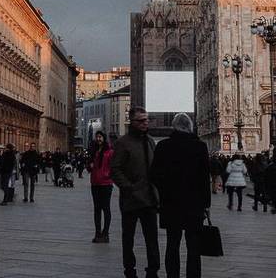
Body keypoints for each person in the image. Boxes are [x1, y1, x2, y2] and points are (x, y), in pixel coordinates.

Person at [150, 113, 210, 278]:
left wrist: (164, 192)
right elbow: (205, 179)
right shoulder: (200, 147)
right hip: (195, 205)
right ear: (190, 127)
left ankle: (172, 276)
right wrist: (206, 205)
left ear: (173, 127)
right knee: (193, 247)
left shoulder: (163, 146)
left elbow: (154, 175)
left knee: (172, 244)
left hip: (170, 204)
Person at [110, 106, 160, 278]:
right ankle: (129, 270)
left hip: (150, 199)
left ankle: (153, 270)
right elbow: (115, 170)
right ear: (132, 122)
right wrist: (129, 187)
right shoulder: (123, 143)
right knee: (128, 238)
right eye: (141, 120)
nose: (145, 123)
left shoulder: (150, 141)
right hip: (131, 200)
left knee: (152, 239)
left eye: (146, 120)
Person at [89, 130, 115, 243]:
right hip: (95, 183)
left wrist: (107, 175)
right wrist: (89, 166)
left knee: (106, 208)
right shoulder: (94, 151)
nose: (98, 139)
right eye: (97, 137)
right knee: (97, 209)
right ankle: (97, 233)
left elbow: (113, 166)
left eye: (100, 137)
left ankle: (105, 233)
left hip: (106, 184)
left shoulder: (109, 151)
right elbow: (89, 165)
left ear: (104, 138)